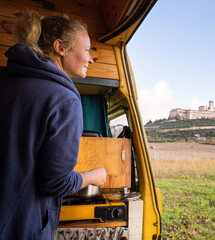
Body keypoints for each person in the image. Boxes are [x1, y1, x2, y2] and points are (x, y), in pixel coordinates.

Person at [0, 11, 107, 239]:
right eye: (87, 50)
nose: (91, 59)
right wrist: (92, 176)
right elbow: (55, 182)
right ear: (60, 47)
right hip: (20, 227)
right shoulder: (64, 99)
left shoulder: (6, 80)